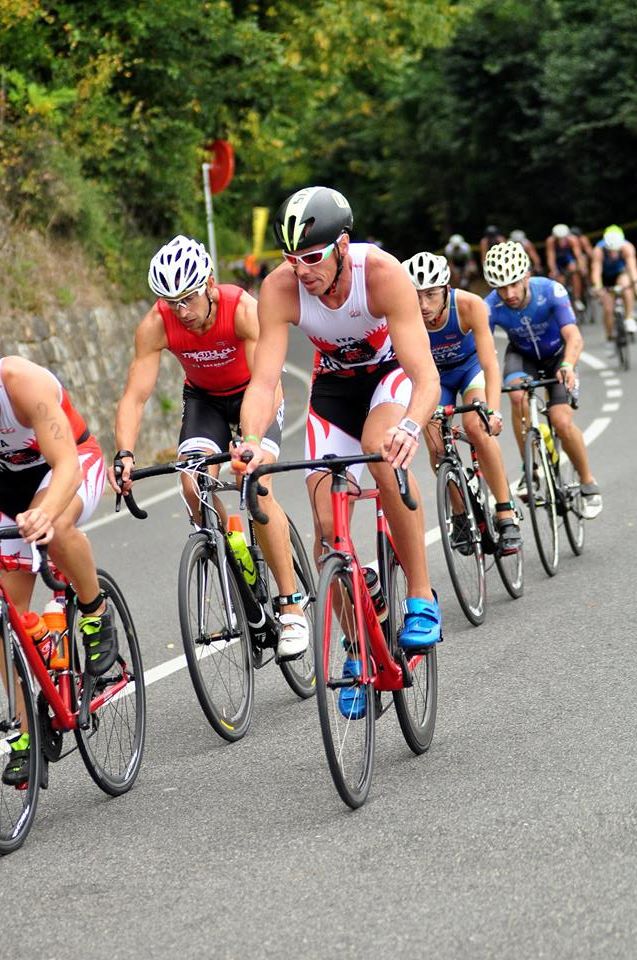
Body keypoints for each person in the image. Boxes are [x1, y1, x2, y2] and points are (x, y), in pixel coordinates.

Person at [234, 185, 442, 718]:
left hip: (389, 378)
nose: (301, 271)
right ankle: (356, 650)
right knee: (328, 526)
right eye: (290, 259)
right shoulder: (281, 287)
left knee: (380, 448)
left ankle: (420, 594)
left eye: (311, 257)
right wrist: (253, 442)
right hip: (334, 388)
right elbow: (263, 381)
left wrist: (413, 427)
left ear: (342, 245)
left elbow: (425, 376)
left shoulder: (382, 274)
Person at [108, 235, 308, 660]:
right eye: (171, 301)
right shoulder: (157, 324)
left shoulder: (243, 310)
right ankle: (230, 553)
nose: (183, 312)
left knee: (255, 481)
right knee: (191, 483)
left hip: (255, 391)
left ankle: (290, 606)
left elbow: (266, 382)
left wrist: (250, 441)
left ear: (210, 284)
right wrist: (124, 453)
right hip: (205, 402)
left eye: (189, 299)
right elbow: (135, 396)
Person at [0, 357, 112, 785]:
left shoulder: (21, 383)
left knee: (58, 527)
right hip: (8, 484)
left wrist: (44, 513)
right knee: (5, 610)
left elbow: (67, 465)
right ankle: (27, 735)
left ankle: (94, 610)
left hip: (69, 465)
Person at [402, 251, 521, 553]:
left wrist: (492, 411)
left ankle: (506, 513)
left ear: (446, 289)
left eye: (430, 295)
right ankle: (459, 514)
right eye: (417, 296)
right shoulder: (404, 314)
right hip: (433, 379)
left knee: (476, 425)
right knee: (435, 442)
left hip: (470, 370)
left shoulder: (469, 305)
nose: (423, 306)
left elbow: (490, 364)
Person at [483, 241, 603, 519]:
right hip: (522, 355)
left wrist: (569, 366)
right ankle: (532, 469)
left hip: (557, 356)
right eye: (501, 287)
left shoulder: (550, 290)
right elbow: (485, 351)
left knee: (561, 421)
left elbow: (573, 336)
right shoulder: (490, 305)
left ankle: (587, 481)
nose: (509, 294)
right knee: (515, 395)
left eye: (514, 284)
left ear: (526, 276)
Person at [590, 224, 637, 344]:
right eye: (610, 251)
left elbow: (632, 268)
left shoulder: (627, 247)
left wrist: (635, 283)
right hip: (605, 277)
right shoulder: (598, 250)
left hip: (620, 274)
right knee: (608, 309)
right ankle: (610, 337)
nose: (613, 254)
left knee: (627, 286)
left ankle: (629, 317)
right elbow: (596, 270)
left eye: (616, 251)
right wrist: (597, 287)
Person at [545, 223, 586, 311]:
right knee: (559, 280)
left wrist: (582, 267)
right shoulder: (550, 241)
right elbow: (551, 257)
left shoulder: (573, 239)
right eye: (559, 239)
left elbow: (578, 255)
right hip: (558, 260)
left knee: (574, 270)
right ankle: (562, 300)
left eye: (563, 238)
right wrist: (553, 270)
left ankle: (577, 298)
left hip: (568, 258)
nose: (561, 241)